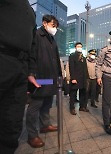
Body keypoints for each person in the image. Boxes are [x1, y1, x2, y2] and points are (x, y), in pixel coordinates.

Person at [0, 0, 39, 153]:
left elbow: (32, 42)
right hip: (3, 55)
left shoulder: (30, 10)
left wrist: (30, 71)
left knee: (13, 121)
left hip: (21, 66)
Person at [26, 15, 62, 148]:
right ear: (44, 23)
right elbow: (31, 56)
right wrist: (30, 74)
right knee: (35, 106)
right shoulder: (36, 35)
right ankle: (32, 135)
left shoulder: (51, 39)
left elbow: (56, 59)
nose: (55, 29)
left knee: (47, 103)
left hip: (50, 77)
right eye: (53, 26)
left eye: (56, 27)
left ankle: (45, 125)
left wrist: (59, 75)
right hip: (39, 77)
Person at [69, 42, 89, 115]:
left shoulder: (83, 57)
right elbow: (71, 68)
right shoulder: (72, 56)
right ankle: (72, 108)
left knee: (82, 93)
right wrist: (73, 78)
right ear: (75, 47)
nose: (79, 47)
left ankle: (82, 107)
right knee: (73, 94)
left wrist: (87, 77)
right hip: (75, 78)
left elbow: (85, 68)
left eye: (81, 46)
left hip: (83, 79)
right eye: (78, 46)